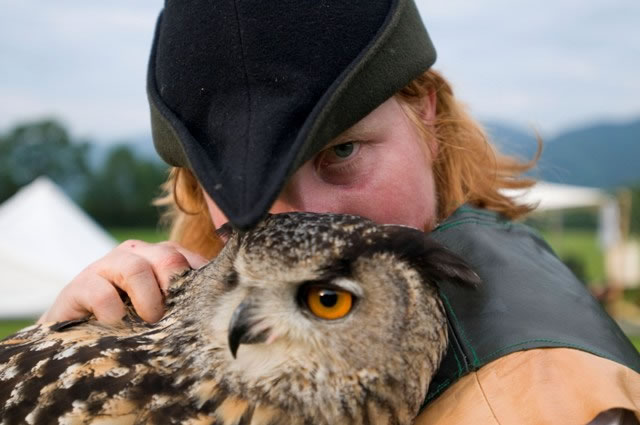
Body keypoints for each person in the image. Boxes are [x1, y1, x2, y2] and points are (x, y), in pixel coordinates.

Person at [39, 0, 640, 423]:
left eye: (342, 151)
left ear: (425, 114)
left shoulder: (531, 393)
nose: (308, 216)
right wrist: (62, 364)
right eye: (244, 184)